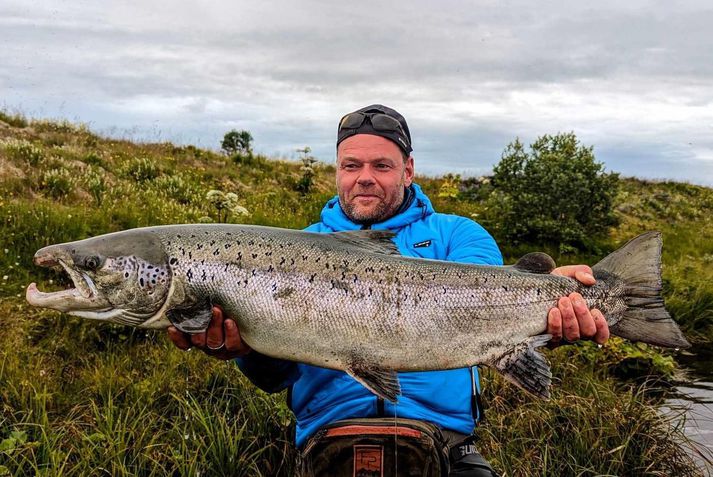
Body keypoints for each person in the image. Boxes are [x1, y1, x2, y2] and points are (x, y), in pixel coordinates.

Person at [168, 104, 610, 476]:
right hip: (327, 445)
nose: (364, 177)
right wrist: (240, 350)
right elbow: (275, 378)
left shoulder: (458, 234)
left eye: (381, 165)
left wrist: (551, 300)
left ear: (409, 170)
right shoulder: (294, 247)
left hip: (449, 448)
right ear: (337, 171)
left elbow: (482, 296)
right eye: (351, 165)